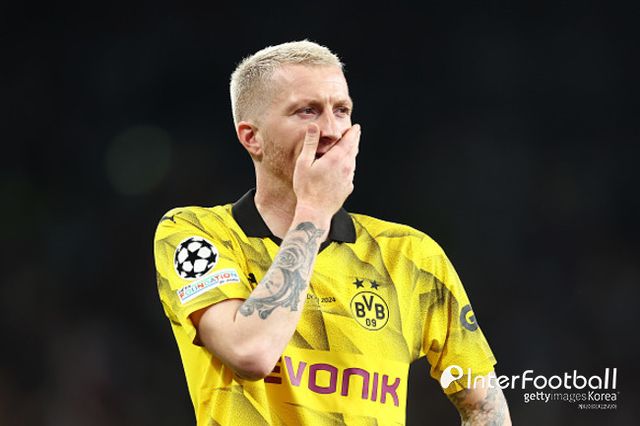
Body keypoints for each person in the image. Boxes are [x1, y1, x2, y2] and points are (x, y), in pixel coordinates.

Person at [154, 40, 511, 425]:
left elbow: (484, 407)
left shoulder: (410, 255)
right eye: (306, 111)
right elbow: (251, 352)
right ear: (251, 137)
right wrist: (314, 210)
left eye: (341, 110)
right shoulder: (197, 233)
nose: (330, 129)